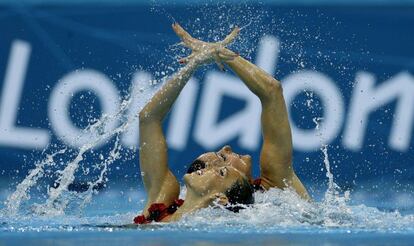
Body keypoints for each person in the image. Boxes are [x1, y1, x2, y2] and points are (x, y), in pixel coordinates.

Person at [134, 23, 310, 224]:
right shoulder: (165, 205)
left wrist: (219, 52)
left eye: (220, 163)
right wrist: (193, 64)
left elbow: (272, 90)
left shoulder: (276, 190)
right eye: (220, 162)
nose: (226, 148)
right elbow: (148, 118)